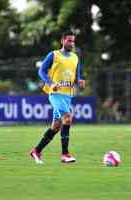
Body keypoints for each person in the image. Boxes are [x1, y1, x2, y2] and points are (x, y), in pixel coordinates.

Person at [30, 30, 86, 164]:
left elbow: (76, 74)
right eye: (69, 40)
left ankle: (36, 151)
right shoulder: (53, 55)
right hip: (55, 93)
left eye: (73, 41)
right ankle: (65, 154)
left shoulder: (75, 57)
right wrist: (50, 83)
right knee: (68, 118)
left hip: (68, 95)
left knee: (56, 126)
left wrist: (79, 80)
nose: (71, 43)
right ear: (62, 40)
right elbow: (41, 71)